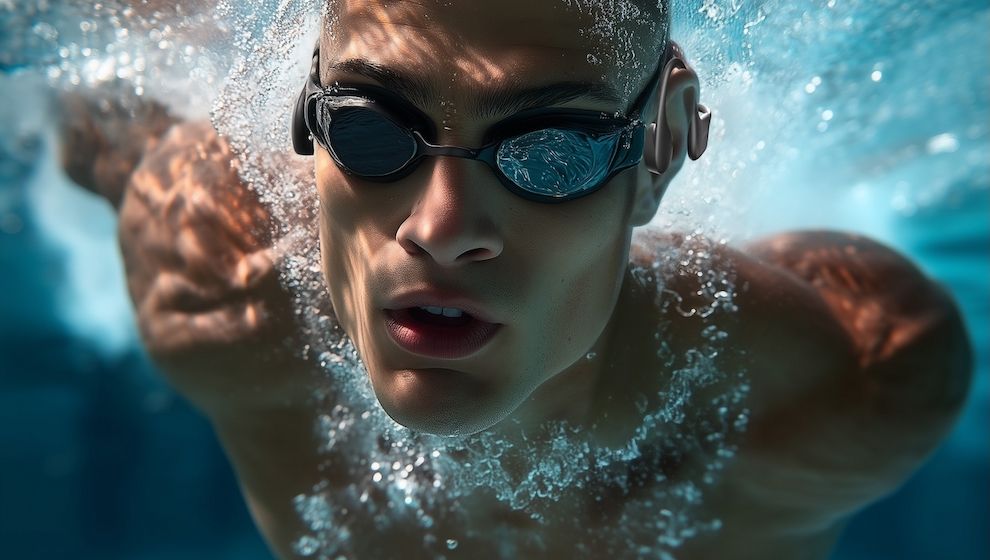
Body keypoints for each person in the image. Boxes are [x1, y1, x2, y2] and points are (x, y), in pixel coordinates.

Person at [59, 1, 972, 558]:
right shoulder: (220, 287)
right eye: (374, 130)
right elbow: (107, 129)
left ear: (661, 148)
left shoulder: (844, 388)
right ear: (313, 121)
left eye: (551, 151)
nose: (441, 231)